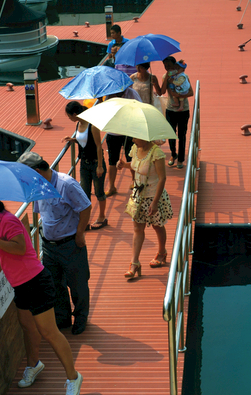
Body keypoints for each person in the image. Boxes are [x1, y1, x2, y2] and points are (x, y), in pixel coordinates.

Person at [0, 199, 83, 395]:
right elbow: (8, 246)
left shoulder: (8, 221)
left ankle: (73, 377)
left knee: (49, 332)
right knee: (28, 327)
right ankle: (34, 364)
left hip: (35, 282)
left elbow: (20, 248)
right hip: (21, 285)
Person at [18, 150, 93, 335]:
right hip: (49, 245)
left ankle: (81, 318)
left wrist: (80, 233)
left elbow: (85, 207)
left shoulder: (66, 184)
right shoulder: (38, 187)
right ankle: (63, 319)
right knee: (54, 285)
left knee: (78, 284)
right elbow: (43, 214)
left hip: (70, 244)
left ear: (37, 171)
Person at [118, 137, 174, 279]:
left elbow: (162, 178)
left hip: (153, 196)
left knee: (157, 226)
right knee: (137, 229)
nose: (133, 139)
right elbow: (136, 165)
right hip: (138, 195)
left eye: (136, 137)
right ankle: (134, 262)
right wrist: (124, 165)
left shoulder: (156, 153)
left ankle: (162, 252)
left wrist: (155, 202)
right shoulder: (135, 148)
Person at [63, 101, 108, 229]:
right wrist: (73, 139)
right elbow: (83, 140)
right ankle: (85, 220)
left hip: (95, 163)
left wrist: (100, 166)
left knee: (99, 192)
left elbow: (99, 146)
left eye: (69, 116)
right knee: (84, 193)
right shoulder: (79, 124)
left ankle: (102, 217)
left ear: (75, 114)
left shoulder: (92, 125)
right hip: (84, 164)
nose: (69, 118)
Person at [159, 56, 194, 169]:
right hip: (170, 109)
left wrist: (179, 96)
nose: (167, 68)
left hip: (183, 110)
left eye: (169, 66)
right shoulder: (165, 76)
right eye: (165, 66)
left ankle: (181, 159)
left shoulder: (183, 76)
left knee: (182, 135)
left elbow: (191, 92)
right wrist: (166, 79)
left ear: (175, 65)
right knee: (171, 134)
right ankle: (173, 155)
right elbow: (162, 91)